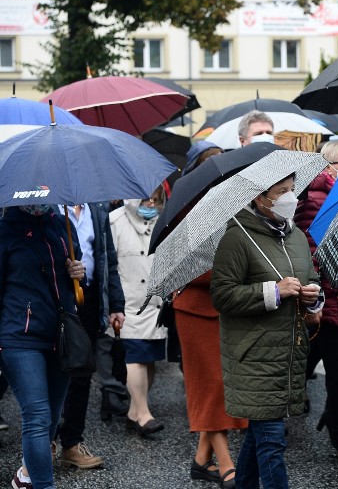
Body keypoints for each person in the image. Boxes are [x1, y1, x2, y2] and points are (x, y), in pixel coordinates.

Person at [212, 172, 324, 489]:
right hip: (253, 356)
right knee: (272, 439)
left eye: (292, 190)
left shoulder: (297, 237)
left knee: (261, 435)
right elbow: (222, 295)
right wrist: (273, 291)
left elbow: (311, 275)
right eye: (281, 191)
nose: (290, 197)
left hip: (289, 352)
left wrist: (312, 298)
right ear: (260, 198)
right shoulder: (237, 237)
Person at [174, 141, 245, 488]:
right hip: (196, 311)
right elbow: (189, 269)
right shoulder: (191, 214)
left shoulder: (235, 209)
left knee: (222, 387)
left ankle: (202, 461)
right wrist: (237, 271)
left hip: (229, 310)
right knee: (211, 386)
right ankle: (228, 464)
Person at [0, 204, 85, 489]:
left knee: (50, 418)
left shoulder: (62, 224)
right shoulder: (5, 230)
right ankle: (43, 485)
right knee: (36, 416)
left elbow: (77, 267)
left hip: (60, 336)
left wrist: (77, 269)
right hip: (19, 337)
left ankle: (26, 474)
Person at [292, 140, 338, 468]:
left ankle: (335, 418)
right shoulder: (315, 199)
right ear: (329, 166)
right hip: (331, 301)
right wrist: (316, 299)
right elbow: (309, 251)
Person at [56, 200, 126, 470]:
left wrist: (116, 305)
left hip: (90, 299)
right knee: (56, 372)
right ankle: (49, 439)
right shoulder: (50, 207)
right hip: (58, 300)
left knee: (83, 372)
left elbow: (108, 259)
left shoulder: (97, 210)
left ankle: (72, 443)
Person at [110, 188, 167, 437]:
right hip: (128, 302)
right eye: (146, 198)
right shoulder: (115, 221)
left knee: (149, 357)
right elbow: (108, 264)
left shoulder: (164, 221)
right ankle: (144, 414)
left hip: (156, 303)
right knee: (134, 357)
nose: (151, 203)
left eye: (157, 198)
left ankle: (134, 412)